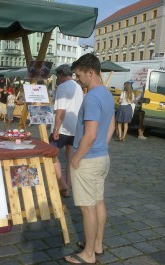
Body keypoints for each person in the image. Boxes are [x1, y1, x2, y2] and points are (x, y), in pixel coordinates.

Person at [63, 53, 115, 265]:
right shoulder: (106, 94)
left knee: (87, 207)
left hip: (88, 160)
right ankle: (97, 245)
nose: (77, 79)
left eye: (78, 75)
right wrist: (101, 146)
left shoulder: (92, 96)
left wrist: (76, 158)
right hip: (101, 156)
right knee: (98, 201)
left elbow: (90, 134)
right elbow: (110, 127)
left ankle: (89, 255)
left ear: (90, 72)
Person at [50, 64, 84, 198]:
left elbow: (61, 111)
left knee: (50, 154)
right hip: (75, 127)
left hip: (63, 127)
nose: (57, 79)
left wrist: (56, 129)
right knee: (70, 158)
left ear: (61, 75)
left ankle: (62, 183)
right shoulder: (78, 87)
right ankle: (68, 187)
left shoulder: (63, 87)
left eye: (57, 76)